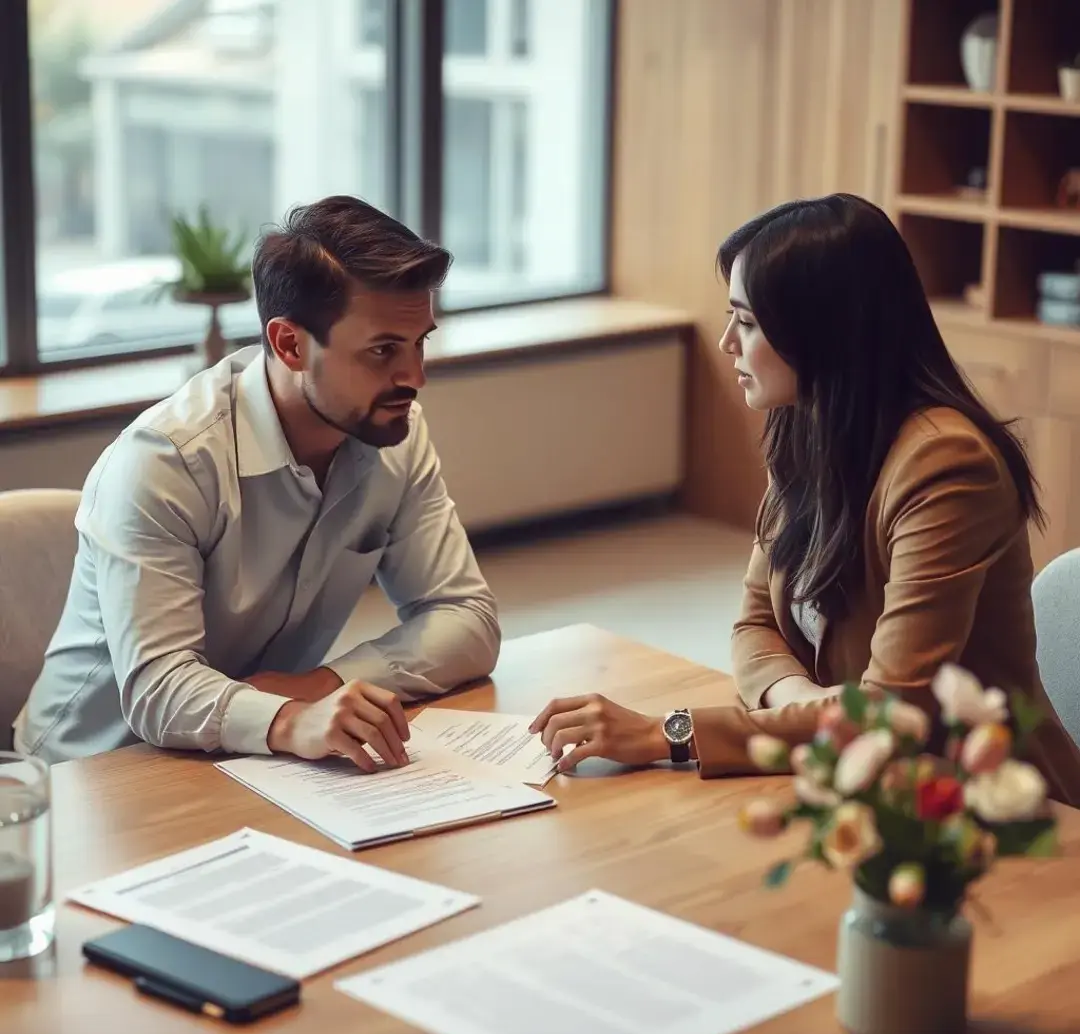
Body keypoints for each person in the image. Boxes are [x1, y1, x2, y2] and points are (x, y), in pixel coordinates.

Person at [530, 193, 1080, 806]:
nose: (725, 344)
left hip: (982, 806)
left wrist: (669, 732)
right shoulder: (808, 431)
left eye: (747, 322)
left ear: (821, 334)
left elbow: (891, 713)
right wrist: (818, 711)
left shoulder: (947, 466)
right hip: (853, 776)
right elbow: (755, 624)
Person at [17, 196, 500, 769]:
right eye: (382, 351)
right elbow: (157, 691)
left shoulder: (393, 431)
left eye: (420, 341)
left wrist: (321, 685)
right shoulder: (167, 461)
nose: (415, 377)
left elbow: (467, 618)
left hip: (252, 759)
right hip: (91, 775)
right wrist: (291, 718)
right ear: (290, 345)